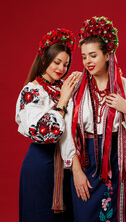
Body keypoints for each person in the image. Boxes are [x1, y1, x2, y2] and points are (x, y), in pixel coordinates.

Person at [60, 16, 126, 222]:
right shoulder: (76, 88)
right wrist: (75, 170)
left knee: (120, 214)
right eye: (84, 57)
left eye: (93, 55)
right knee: (85, 213)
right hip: (85, 160)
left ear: (108, 55)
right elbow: (66, 132)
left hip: (118, 160)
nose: (87, 62)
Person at [15, 28, 81, 222]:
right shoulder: (32, 91)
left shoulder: (64, 87)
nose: (61, 69)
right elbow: (44, 134)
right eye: (57, 62)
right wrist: (62, 102)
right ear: (44, 59)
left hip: (66, 165)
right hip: (41, 164)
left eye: (66, 64)